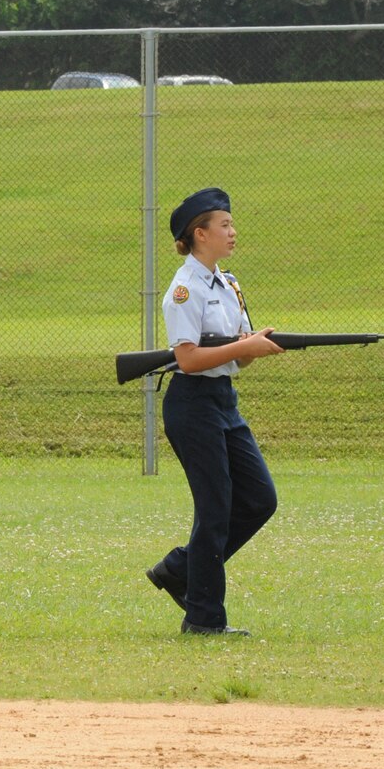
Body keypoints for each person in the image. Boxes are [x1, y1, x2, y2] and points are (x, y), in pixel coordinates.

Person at [146, 187, 283, 637]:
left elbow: (237, 356)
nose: (233, 232)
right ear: (199, 234)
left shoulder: (229, 284)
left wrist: (253, 347)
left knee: (261, 499)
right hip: (192, 404)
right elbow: (186, 359)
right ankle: (204, 619)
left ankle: (182, 568)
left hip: (224, 401)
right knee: (215, 509)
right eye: (224, 225)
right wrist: (246, 346)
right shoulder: (183, 290)